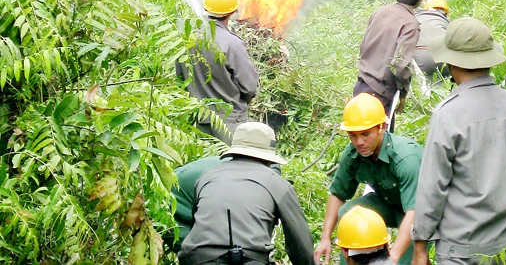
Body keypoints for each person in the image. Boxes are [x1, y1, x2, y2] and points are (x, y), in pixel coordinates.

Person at [411, 17, 506, 265]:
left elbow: (432, 188)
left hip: (460, 251)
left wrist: (420, 246)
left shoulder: (447, 114)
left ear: (451, 63)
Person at [313, 93, 430, 265]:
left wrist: (393, 258)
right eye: (353, 135)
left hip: (421, 211)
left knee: (409, 252)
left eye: (366, 134)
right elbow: (338, 194)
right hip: (390, 203)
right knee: (349, 213)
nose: (359, 142)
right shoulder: (353, 153)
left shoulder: (405, 158)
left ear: (381, 127)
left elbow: (414, 212)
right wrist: (325, 239)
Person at [179, 122, 314, 265]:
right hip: (250, 259)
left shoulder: (207, 176)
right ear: (268, 159)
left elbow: (196, 222)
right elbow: (301, 244)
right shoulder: (277, 183)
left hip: (198, 259)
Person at [176, 0, 259, 145]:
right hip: (230, 127)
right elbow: (250, 88)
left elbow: (180, 78)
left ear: (205, 8)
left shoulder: (188, 38)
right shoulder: (233, 45)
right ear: (232, 12)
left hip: (198, 125)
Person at [354, 0, 431, 131]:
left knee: (359, 143)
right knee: (381, 151)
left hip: (360, 87)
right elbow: (401, 65)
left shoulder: (380, 12)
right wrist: (402, 95)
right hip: (380, 96)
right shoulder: (410, 23)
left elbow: (363, 48)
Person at [164, 156, 282, 253]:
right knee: (199, 253)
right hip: (167, 201)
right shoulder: (251, 179)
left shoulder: (246, 169)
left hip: (188, 197)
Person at [413, 0, 451, 79]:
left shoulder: (416, 16)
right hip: (443, 57)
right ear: (446, 13)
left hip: (420, 57)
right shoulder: (446, 22)